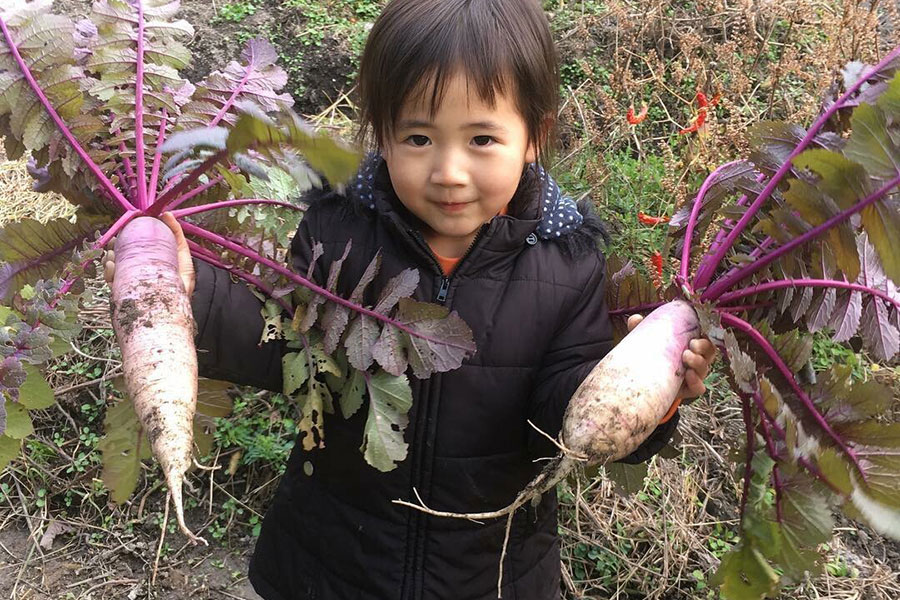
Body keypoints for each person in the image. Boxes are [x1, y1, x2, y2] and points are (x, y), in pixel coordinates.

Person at [106, 0, 715, 598]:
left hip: (494, 571)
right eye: (419, 137)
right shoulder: (339, 230)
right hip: (330, 559)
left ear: (535, 137)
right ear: (382, 135)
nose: (449, 171)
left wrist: (652, 394)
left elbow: (566, 418)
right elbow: (286, 345)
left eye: (481, 139)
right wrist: (186, 291)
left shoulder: (569, 262)